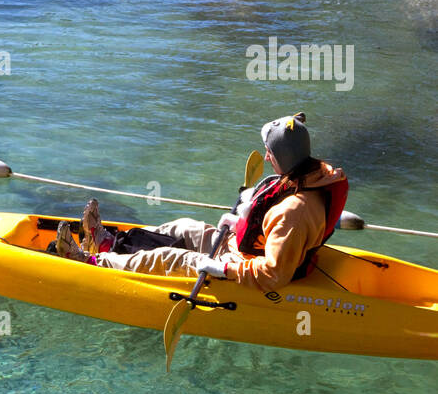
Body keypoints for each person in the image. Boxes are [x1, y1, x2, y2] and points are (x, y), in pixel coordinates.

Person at [54, 113, 349, 293]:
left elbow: (274, 275)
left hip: (241, 269)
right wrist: (240, 223)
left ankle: (92, 261)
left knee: (172, 259)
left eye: (269, 152)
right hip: (241, 248)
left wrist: (223, 271)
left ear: (282, 158)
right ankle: (109, 244)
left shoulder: (293, 213)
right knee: (184, 227)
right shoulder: (311, 175)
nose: (267, 157)